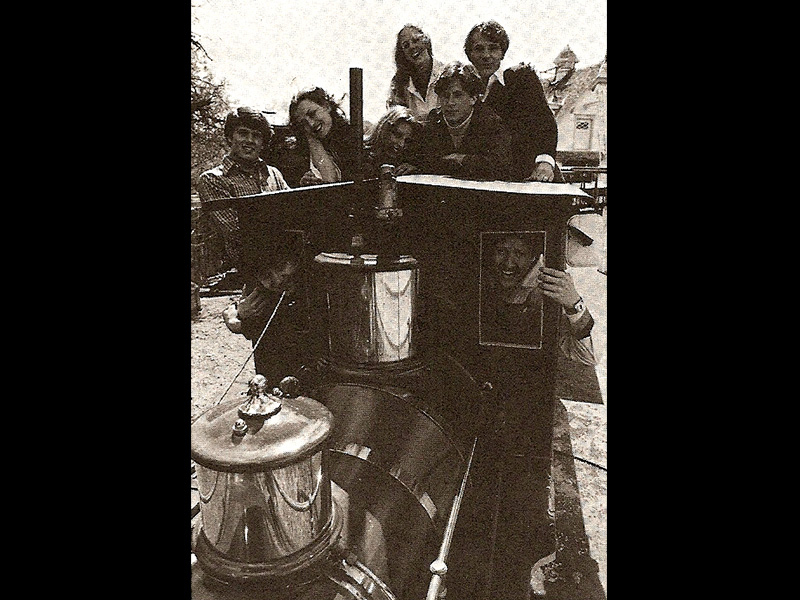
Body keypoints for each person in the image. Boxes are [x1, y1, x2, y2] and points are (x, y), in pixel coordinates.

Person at [464, 21, 560, 183]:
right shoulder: (465, 86)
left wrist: (545, 161)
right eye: (479, 49)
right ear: (470, 54)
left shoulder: (521, 77)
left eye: (493, 48)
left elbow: (545, 124)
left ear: (502, 53)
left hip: (528, 176)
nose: (486, 55)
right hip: (486, 177)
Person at [196, 106, 290, 271]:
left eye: (256, 136)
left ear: (263, 143)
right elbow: (236, 234)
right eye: (243, 133)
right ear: (229, 137)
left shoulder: (274, 174)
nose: (250, 140)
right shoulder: (213, 179)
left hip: (282, 265)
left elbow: (294, 215)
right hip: (236, 274)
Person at [481, 233, 596, 363]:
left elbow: (588, 356)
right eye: (501, 251)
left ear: (533, 258)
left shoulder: (548, 295)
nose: (508, 262)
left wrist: (574, 304)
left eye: (519, 254)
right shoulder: (479, 282)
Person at [415, 61, 511, 180]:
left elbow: (500, 165)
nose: (450, 103)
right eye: (445, 96)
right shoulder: (434, 120)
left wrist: (463, 159)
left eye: (458, 95)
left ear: (473, 98)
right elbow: (424, 159)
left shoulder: (491, 123)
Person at [272, 86, 359, 188]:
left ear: (326, 106)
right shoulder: (300, 151)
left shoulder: (351, 138)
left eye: (312, 114)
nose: (311, 123)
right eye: (303, 123)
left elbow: (331, 181)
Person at [387, 24, 446, 123]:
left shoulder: (446, 73)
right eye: (406, 45)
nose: (412, 47)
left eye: (415, 41)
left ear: (426, 42)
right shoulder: (399, 84)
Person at [363, 106, 423, 178]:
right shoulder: (361, 156)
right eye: (397, 135)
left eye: (407, 141)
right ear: (384, 130)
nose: (402, 144)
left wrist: (414, 173)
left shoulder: (406, 161)